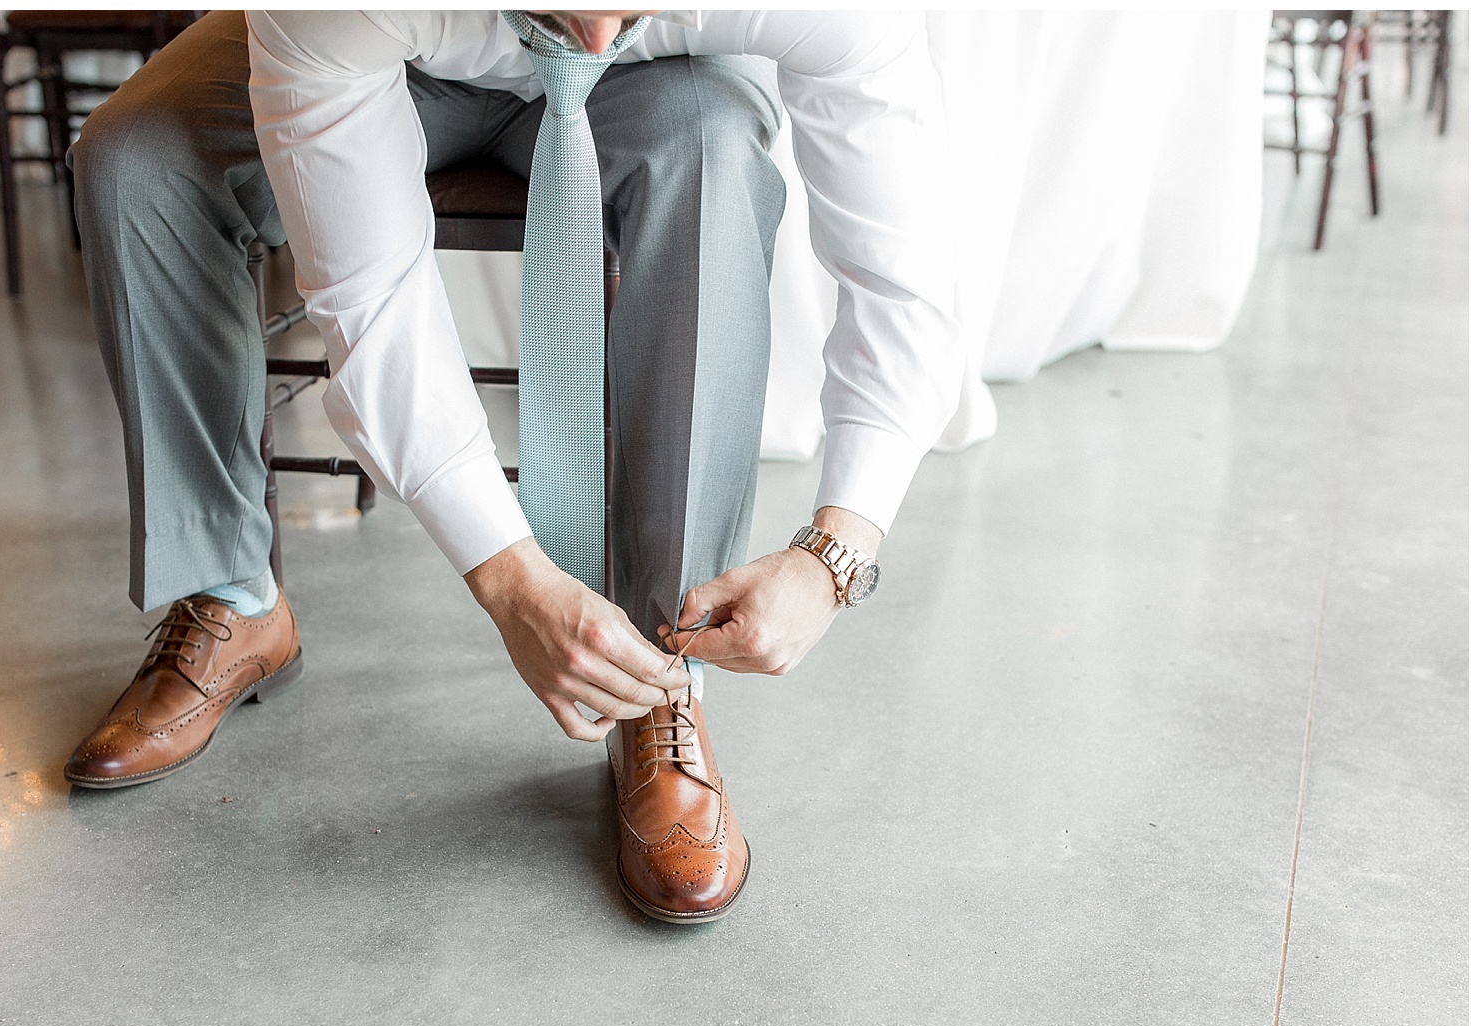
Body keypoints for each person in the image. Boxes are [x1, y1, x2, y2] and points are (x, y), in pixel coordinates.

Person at [63, 10, 962, 924]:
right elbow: (372, 298)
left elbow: (907, 270)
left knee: (712, 150)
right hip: (398, 51)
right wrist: (509, 577)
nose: (599, 23)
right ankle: (230, 593)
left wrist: (835, 553)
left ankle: (657, 670)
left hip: (660, 82)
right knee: (135, 157)